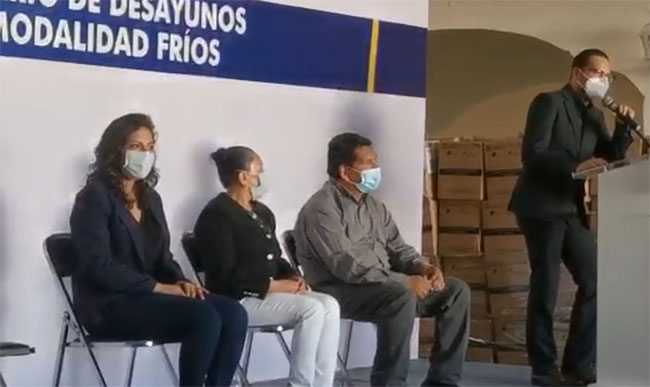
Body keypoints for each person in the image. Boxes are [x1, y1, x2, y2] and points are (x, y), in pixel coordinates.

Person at [70, 113, 248, 387]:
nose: (145, 154)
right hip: (109, 304)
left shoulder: (151, 198)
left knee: (233, 313)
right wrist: (159, 287)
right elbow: (98, 266)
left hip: (149, 298)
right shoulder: (93, 197)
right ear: (116, 149)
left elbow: (162, 257)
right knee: (203, 316)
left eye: (150, 147)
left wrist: (182, 283)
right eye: (136, 147)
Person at [294, 133, 470, 387]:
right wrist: (404, 282)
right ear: (345, 171)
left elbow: (398, 248)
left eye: (375, 162)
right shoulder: (321, 208)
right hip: (339, 290)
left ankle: (443, 382)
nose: (376, 169)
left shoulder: (374, 206)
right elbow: (346, 266)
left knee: (456, 291)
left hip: (382, 285)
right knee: (400, 296)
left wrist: (423, 266)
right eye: (369, 163)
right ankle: (389, 383)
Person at [508, 49, 636, 386]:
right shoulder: (549, 102)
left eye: (608, 75)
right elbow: (532, 153)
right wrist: (572, 167)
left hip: (571, 208)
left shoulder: (594, 114)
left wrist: (624, 128)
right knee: (546, 284)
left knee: (596, 281)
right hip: (540, 207)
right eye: (597, 72)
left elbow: (607, 154)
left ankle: (578, 365)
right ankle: (543, 367)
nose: (602, 80)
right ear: (578, 73)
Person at [193, 146, 341, 387]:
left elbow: (275, 257)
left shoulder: (262, 212)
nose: (262, 178)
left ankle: (323, 383)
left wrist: (293, 276)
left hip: (271, 294)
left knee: (329, 305)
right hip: (237, 300)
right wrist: (272, 285)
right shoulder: (216, 216)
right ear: (243, 177)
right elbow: (223, 277)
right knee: (311, 310)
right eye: (259, 172)